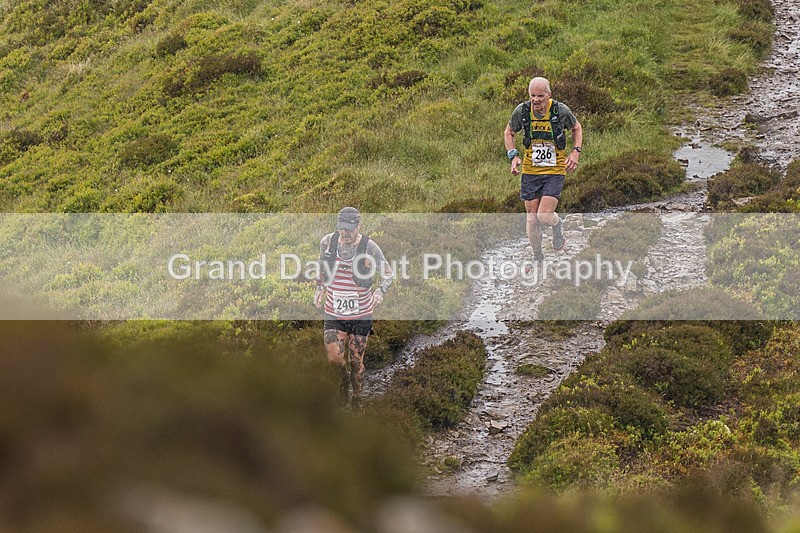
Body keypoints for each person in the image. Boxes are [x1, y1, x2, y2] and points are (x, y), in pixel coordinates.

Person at [313, 207, 393, 408]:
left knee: (356, 362)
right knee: (333, 358)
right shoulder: (328, 243)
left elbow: (388, 272)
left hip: (361, 315)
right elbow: (322, 267)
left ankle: (357, 400)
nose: (345, 233)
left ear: (359, 225)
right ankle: (343, 383)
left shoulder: (369, 247)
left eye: (349, 229)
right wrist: (319, 288)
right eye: (342, 229)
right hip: (333, 311)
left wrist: (380, 291)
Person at [504, 76, 583, 260]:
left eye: (540, 96)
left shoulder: (560, 110)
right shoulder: (522, 111)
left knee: (544, 216)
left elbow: (576, 128)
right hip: (531, 171)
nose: (536, 100)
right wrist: (513, 155)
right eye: (533, 96)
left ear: (549, 95)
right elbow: (509, 132)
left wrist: (575, 152)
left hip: (554, 170)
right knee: (532, 217)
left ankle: (557, 227)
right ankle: (538, 256)